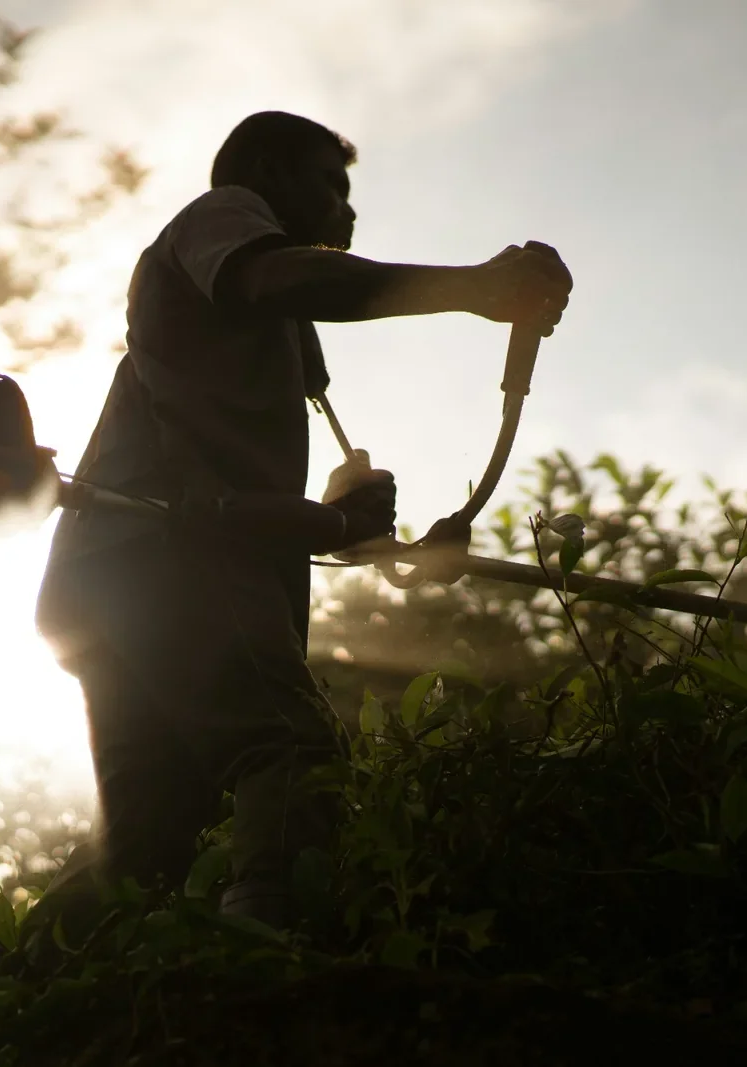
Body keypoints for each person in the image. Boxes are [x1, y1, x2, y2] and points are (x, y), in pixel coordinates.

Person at [47, 109, 572, 939]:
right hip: (166, 556)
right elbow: (274, 279)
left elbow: (228, 486)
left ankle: (9, 1005)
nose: (348, 209)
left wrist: (340, 519)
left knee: (149, 845)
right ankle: (266, 961)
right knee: (291, 751)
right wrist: (474, 287)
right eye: (332, 184)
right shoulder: (221, 220)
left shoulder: (267, 342)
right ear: (265, 171)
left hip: (107, 572)